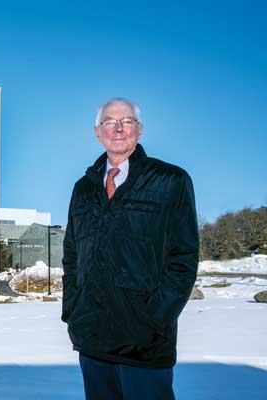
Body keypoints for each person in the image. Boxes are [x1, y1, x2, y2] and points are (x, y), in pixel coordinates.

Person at [61, 98, 199, 400]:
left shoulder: (171, 180)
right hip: (93, 337)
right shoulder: (82, 188)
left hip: (145, 341)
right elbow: (71, 255)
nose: (119, 127)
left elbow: (183, 258)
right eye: (110, 121)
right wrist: (73, 310)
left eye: (127, 121)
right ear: (98, 132)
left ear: (140, 130)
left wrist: (154, 319)